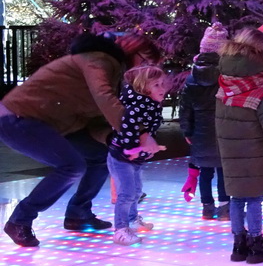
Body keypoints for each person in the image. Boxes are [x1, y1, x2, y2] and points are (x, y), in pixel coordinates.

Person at [1, 31, 161, 247]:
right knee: (71, 166)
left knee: (101, 155)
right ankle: (20, 220)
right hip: (19, 117)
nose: (143, 68)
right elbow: (104, 98)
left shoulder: (112, 70)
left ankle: (78, 213)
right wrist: (140, 133)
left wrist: (117, 139)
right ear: (134, 51)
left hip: (53, 122)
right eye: (146, 61)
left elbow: (95, 119)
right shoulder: (97, 61)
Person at [215, 27, 263, 264]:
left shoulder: (224, 85)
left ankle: (239, 244)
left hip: (231, 155)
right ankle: (257, 244)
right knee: (255, 199)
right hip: (257, 155)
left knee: (237, 198)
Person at [107, 65, 170, 245]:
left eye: (162, 84)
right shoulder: (135, 107)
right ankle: (120, 229)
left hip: (134, 157)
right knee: (126, 193)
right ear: (143, 87)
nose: (162, 88)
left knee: (135, 191)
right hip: (121, 157)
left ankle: (133, 220)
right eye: (156, 85)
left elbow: (149, 130)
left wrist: (147, 148)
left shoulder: (150, 106)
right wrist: (132, 150)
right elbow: (126, 129)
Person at [179, 23, 230, 220]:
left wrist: (187, 131)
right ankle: (225, 206)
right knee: (223, 170)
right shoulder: (226, 76)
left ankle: (207, 207)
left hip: (200, 133)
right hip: (222, 130)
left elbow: (186, 109)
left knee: (205, 171)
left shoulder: (192, 79)